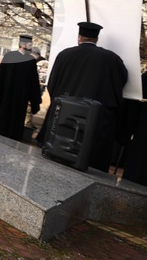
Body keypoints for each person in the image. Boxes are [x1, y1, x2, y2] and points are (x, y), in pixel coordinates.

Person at [46, 22, 128, 172]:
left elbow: (52, 85)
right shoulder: (112, 59)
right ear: (96, 39)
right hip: (96, 123)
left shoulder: (64, 54)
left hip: (65, 119)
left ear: (79, 37)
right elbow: (120, 84)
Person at [0, 34, 42, 142]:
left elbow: (33, 83)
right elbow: (1, 76)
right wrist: (35, 102)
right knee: (8, 126)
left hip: (14, 99)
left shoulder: (26, 60)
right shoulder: (15, 58)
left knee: (9, 126)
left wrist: (34, 101)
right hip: (13, 99)